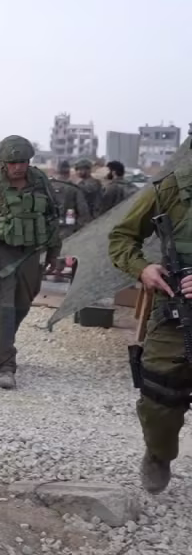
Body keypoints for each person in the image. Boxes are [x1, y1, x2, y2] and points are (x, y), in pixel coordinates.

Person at [108, 140, 192, 494]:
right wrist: (143, 269)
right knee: (159, 392)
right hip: (177, 309)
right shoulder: (170, 188)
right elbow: (121, 237)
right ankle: (159, 454)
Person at [0, 137, 60, 390]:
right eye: (13, 162)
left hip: (31, 254)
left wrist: (53, 254)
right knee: (4, 309)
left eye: (23, 162)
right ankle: (5, 366)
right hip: (2, 254)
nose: (18, 167)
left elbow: (52, 217)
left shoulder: (40, 182)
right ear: (4, 163)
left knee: (22, 305)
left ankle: (2, 336)